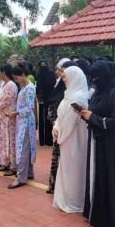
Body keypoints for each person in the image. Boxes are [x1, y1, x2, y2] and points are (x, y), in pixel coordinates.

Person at [79, 60, 115, 227]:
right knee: (97, 176)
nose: (94, 80)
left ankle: (111, 218)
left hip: (112, 143)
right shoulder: (100, 91)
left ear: (106, 75)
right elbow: (94, 110)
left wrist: (91, 117)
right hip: (98, 140)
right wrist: (84, 113)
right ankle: (95, 211)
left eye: (97, 77)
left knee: (110, 177)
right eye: (92, 77)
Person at [52, 66, 89, 213]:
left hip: (74, 138)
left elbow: (71, 121)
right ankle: (66, 198)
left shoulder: (79, 96)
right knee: (67, 168)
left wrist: (59, 130)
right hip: (66, 138)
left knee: (74, 168)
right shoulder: (69, 94)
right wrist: (56, 126)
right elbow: (62, 116)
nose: (64, 80)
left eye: (66, 78)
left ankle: (74, 200)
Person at [7, 64, 36, 189]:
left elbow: (30, 107)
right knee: (26, 148)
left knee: (22, 150)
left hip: (26, 122)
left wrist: (16, 113)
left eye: (17, 77)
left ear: (23, 75)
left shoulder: (29, 88)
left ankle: (21, 177)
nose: (15, 80)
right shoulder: (25, 86)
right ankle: (28, 173)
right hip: (22, 121)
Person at [46, 58, 71, 194]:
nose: (60, 74)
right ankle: (55, 185)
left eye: (62, 71)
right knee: (58, 159)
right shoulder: (60, 87)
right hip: (58, 130)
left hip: (67, 133)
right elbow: (52, 106)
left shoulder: (74, 91)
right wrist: (56, 123)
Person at [0, 64, 18, 175]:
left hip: (8, 117)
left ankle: (13, 166)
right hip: (1, 117)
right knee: (3, 140)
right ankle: (5, 162)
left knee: (10, 140)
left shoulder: (11, 85)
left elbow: (5, 101)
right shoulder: (3, 84)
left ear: (4, 72)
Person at [36, 60, 56, 146]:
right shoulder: (44, 74)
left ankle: (46, 140)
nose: (43, 67)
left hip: (47, 99)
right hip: (45, 98)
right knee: (44, 118)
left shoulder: (41, 74)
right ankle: (46, 140)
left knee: (47, 118)